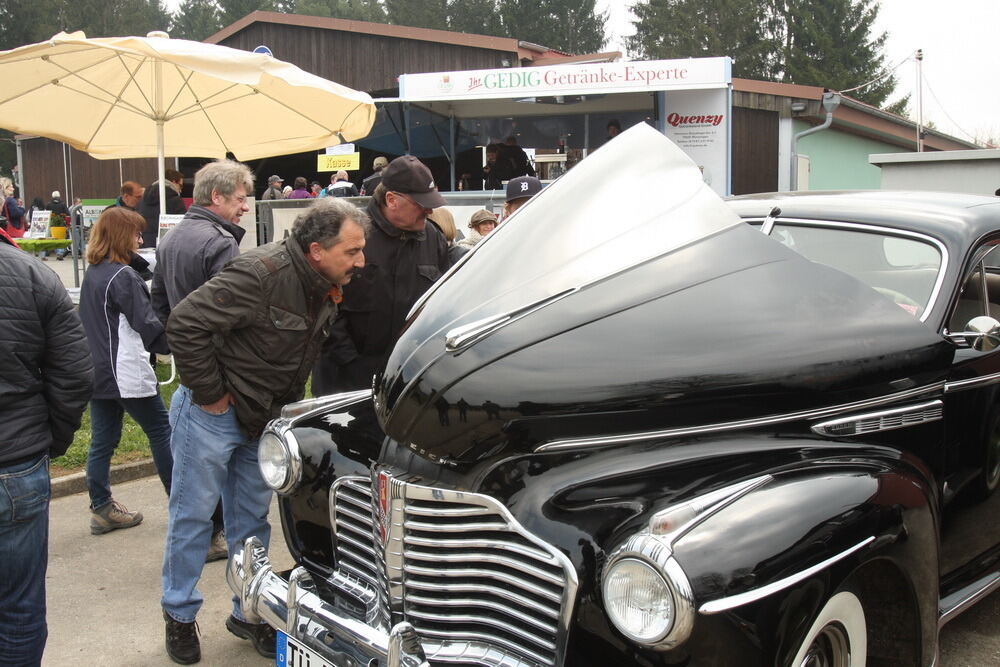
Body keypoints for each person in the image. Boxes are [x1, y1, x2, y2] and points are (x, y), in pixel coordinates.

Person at [160, 197, 369, 664]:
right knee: (192, 518)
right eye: (352, 251)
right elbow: (185, 323)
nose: (361, 260)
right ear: (317, 249)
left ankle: (247, 611)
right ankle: (178, 613)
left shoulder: (324, 284)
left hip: (263, 420)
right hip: (210, 417)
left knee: (251, 523)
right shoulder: (260, 272)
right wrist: (211, 393)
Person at [0, 223, 93, 665]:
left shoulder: (30, 275)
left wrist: (47, 441)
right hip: (15, 465)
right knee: (18, 609)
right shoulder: (32, 274)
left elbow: (74, 374)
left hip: (17, 456)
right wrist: (49, 441)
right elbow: (73, 376)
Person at [151, 159, 253, 563]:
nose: (245, 208)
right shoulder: (220, 243)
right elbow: (236, 321)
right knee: (233, 491)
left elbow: (158, 305)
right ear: (217, 196)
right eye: (241, 199)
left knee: (191, 495)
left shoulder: (172, 238)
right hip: (222, 383)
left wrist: (181, 350)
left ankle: (182, 596)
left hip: (192, 379)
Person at [312, 155, 449, 394]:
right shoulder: (346, 234)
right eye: (421, 203)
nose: (429, 210)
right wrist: (355, 365)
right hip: (345, 383)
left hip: (405, 378)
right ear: (392, 200)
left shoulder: (433, 238)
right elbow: (321, 306)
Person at [78, 208, 173, 535]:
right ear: (121, 236)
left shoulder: (96, 271)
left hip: (98, 368)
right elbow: (147, 326)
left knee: (103, 439)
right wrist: (176, 344)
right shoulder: (123, 277)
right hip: (125, 369)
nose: (140, 239)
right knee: (162, 430)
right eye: (134, 234)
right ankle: (183, 506)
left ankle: (101, 505)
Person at [138, 168, 187, 248]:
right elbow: (184, 224)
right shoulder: (175, 200)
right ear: (174, 182)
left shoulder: (143, 199)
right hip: (167, 246)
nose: (180, 190)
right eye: (180, 186)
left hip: (145, 244)